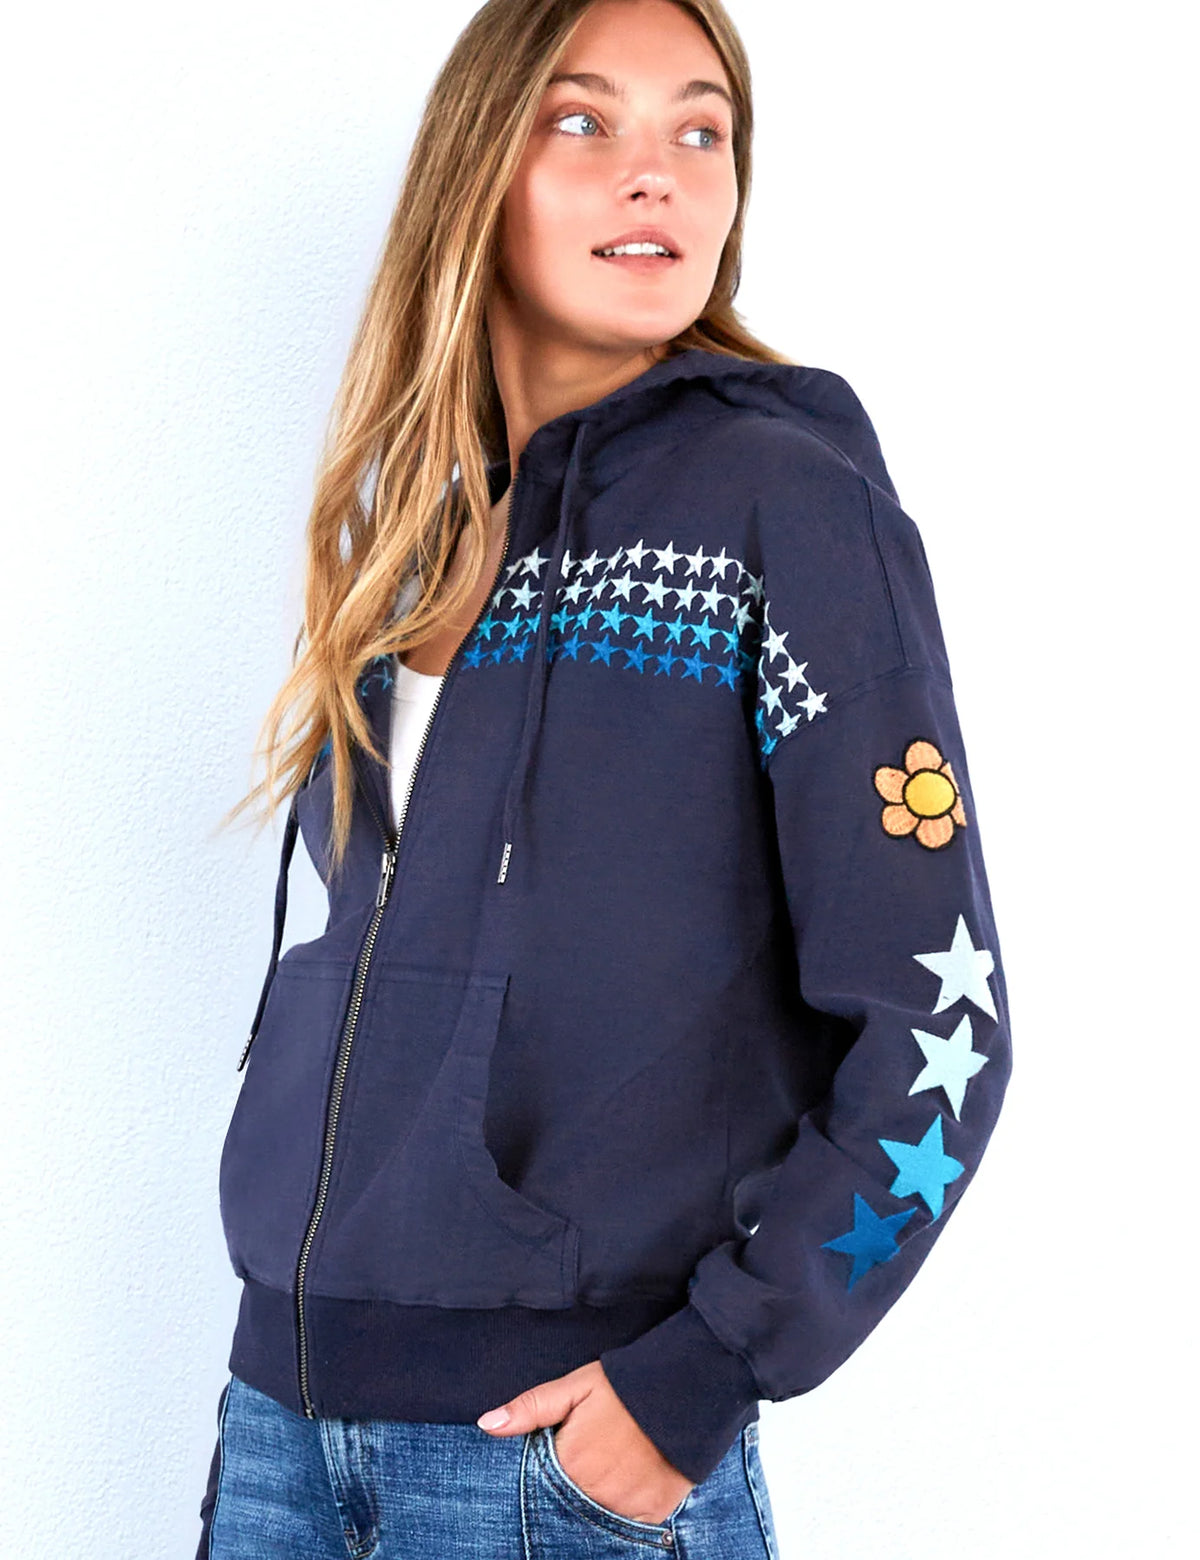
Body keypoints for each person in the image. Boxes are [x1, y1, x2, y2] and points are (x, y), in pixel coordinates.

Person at [196, 0, 1013, 1554]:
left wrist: (708, 1371)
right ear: (476, 172)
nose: (659, 173)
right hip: (283, 1427)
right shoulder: (419, 549)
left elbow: (944, 1026)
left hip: (551, 1457)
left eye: (701, 131)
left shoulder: (786, 506)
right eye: (584, 122)